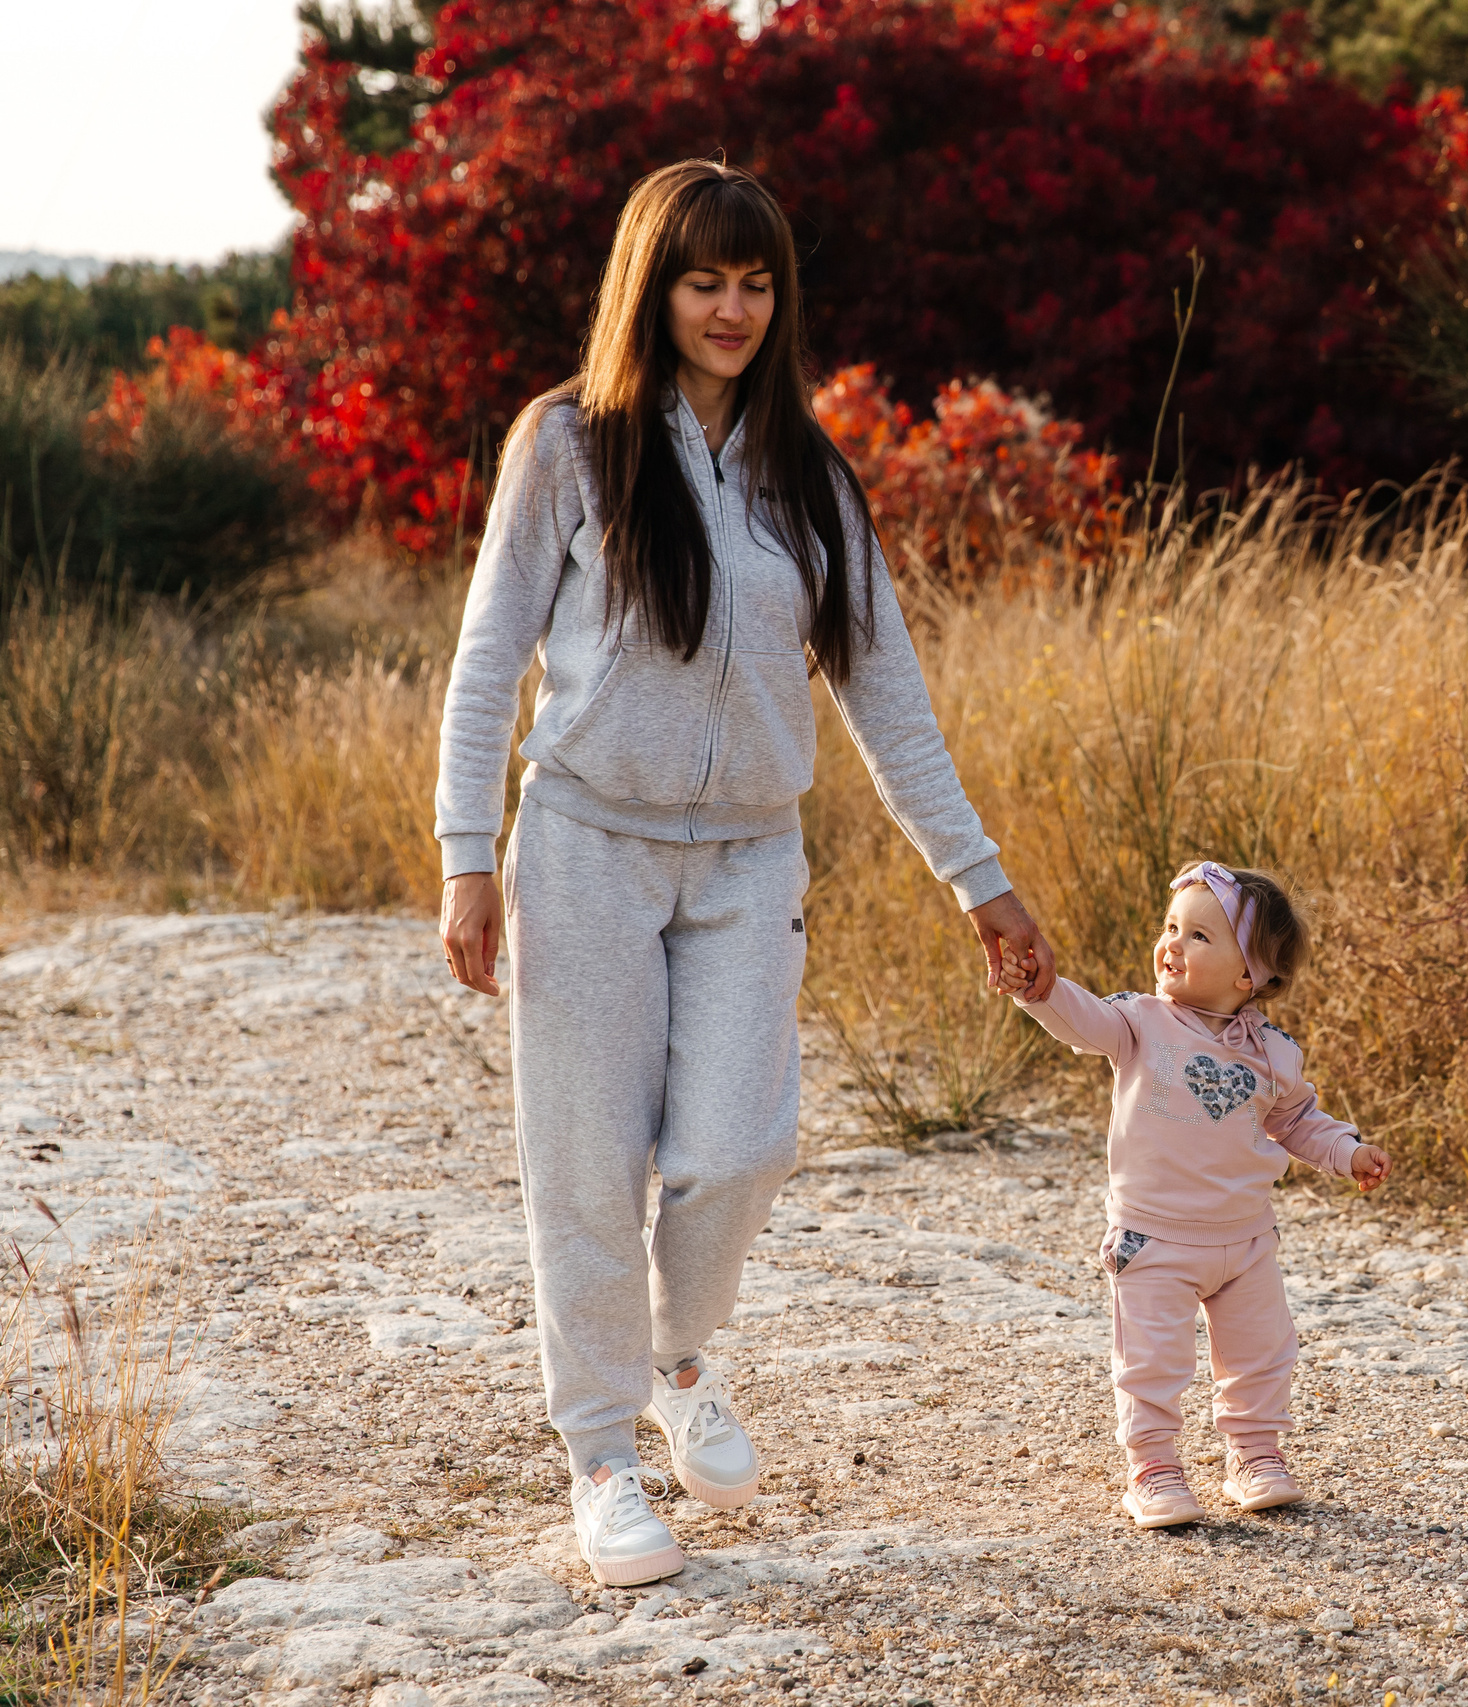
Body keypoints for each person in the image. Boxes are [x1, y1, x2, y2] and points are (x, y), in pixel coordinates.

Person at [433, 159, 1056, 1587]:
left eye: (756, 280)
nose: (731, 307)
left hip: (748, 856)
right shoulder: (571, 446)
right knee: (586, 1164)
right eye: (704, 279)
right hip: (584, 843)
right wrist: (468, 855)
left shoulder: (811, 477)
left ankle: (678, 1355)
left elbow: (885, 694)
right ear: (653, 287)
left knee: (739, 1142)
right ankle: (601, 1454)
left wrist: (981, 880)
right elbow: (486, 667)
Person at [998, 862, 1389, 1527]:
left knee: (1263, 1352)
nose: (1172, 944)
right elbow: (1078, 1017)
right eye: (1171, 926)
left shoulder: (1271, 1051)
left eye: (1199, 935)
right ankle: (1153, 1467)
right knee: (1151, 1360)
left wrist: (1346, 1151)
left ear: (1250, 975)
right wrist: (1041, 988)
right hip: (1154, 1239)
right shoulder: (1139, 1022)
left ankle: (1255, 1454)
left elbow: (1297, 1121)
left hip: (1245, 1239)